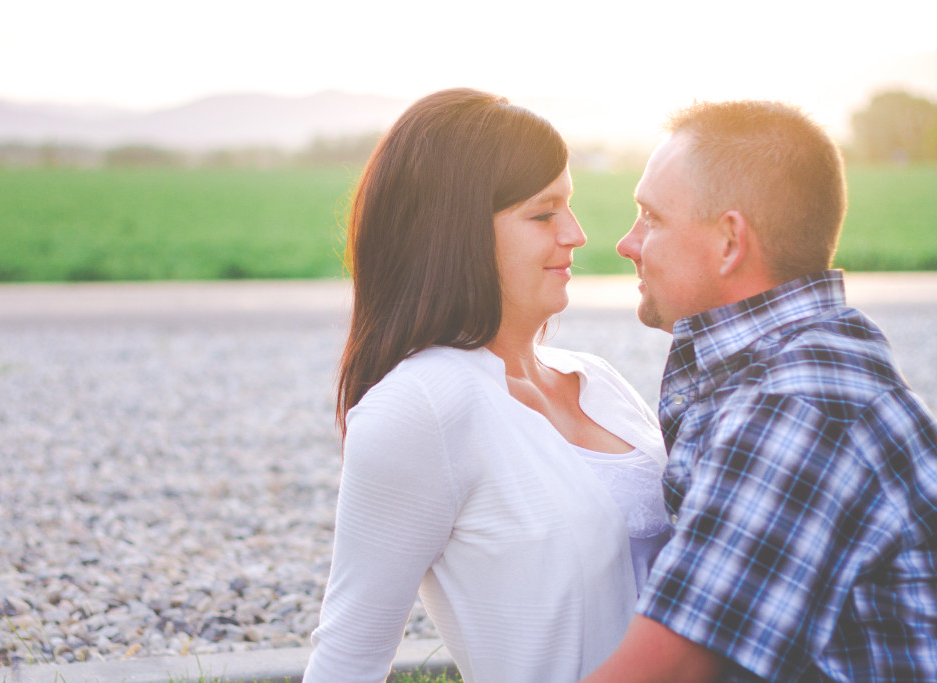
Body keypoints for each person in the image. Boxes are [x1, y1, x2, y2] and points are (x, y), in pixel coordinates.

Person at [302, 88, 671, 683]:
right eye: (543, 213)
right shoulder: (421, 405)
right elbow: (349, 655)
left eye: (568, 207)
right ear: (457, 232)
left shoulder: (597, 380)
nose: (575, 234)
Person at [580, 100, 937, 683]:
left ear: (729, 241)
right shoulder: (802, 365)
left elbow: (666, 671)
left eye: (651, 217)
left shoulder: (796, 406)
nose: (626, 243)